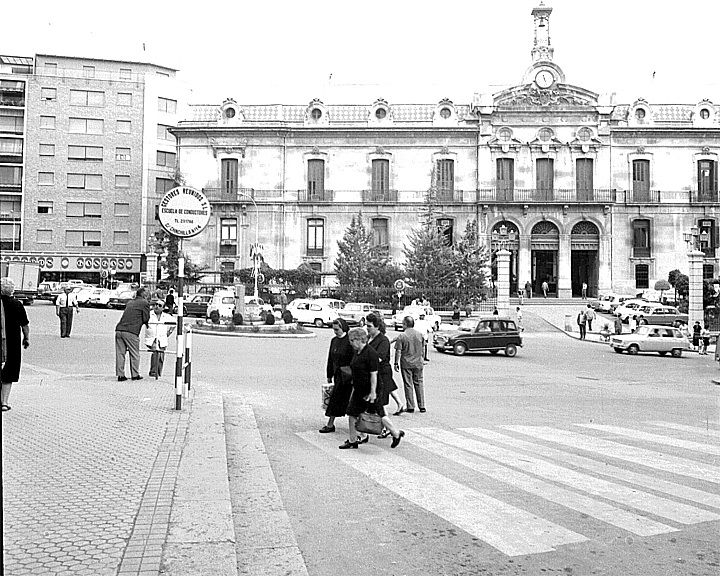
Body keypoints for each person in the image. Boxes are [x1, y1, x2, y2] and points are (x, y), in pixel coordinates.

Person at [339, 327, 404, 449]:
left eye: (352, 340)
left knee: (379, 414)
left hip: (371, 390)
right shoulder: (358, 352)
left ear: (359, 340)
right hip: (359, 390)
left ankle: (395, 433)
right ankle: (353, 440)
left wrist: (373, 392)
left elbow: (374, 374)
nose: (350, 343)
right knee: (352, 413)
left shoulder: (370, 354)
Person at [366, 313, 405, 433]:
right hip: (371, 373)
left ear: (377, 326)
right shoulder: (368, 338)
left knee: (381, 402)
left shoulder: (383, 341)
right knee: (377, 403)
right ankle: (383, 427)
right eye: (366, 326)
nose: (367, 328)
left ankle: (389, 429)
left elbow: (379, 358)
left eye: (369, 326)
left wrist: (364, 359)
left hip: (382, 373)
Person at [320, 318, 354, 433]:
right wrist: (329, 374)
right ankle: (331, 423)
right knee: (335, 398)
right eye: (333, 329)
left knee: (345, 400)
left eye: (337, 329)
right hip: (338, 374)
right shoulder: (334, 340)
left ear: (343, 328)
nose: (335, 331)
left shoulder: (350, 340)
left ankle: (332, 424)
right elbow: (330, 359)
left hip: (348, 376)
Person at [1, 278, 30, 412]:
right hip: (12, 344)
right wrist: (26, 338)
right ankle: (4, 402)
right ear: (12, 290)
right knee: (8, 374)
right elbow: (25, 325)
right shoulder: (17, 305)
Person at [115, 287, 151, 381]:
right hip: (131, 331)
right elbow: (146, 318)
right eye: (147, 293)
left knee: (120, 353)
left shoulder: (130, 302)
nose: (148, 295)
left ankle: (120, 375)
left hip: (119, 329)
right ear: (143, 294)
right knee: (134, 353)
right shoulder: (144, 303)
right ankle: (135, 375)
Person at [394, 316, 425, 413]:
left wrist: (396, 362)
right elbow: (423, 348)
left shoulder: (402, 336)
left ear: (405, 324)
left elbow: (398, 351)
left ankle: (410, 406)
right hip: (418, 362)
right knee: (419, 383)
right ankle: (422, 405)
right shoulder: (420, 334)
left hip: (406, 362)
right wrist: (422, 358)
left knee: (408, 384)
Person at [145, 300, 176, 377]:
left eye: (159, 305)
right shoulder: (149, 314)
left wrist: (170, 331)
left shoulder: (166, 316)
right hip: (152, 338)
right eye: (156, 304)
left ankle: (158, 372)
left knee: (161, 355)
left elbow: (175, 323)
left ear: (163, 308)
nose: (157, 306)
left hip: (162, 338)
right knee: (156, 351)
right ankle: (153, 372)